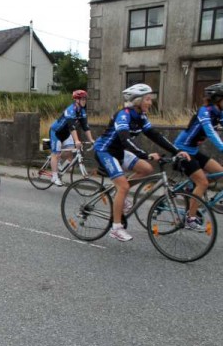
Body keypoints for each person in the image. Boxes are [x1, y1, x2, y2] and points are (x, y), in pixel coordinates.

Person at [94, 83, 189, 242]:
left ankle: (120, 194)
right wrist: (145, 154)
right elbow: (125, 139)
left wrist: (176, 151)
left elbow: (155, 136)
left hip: (119, 153)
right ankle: (116, 228)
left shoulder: (141, 117)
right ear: (137, 100)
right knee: (123, 186)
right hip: (105, 151)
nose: (150, 103)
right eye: (147, 99)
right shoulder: (123, 115)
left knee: (146, 168)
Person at [174, 83, 223, 229]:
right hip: (181, 150)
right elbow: (210, 132)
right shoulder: (204, 111)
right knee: (203, 182)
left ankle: (190, 189)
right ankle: (190, 218)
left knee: (219, 171)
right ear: (217, 99)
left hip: (193, 150)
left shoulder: (219, 113)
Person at [49, 90, 95, 186]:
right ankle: (54, 177)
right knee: (56, 154)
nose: (84, 101)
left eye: (85, 99)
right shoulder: (71, 110)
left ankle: (56, 162)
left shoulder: (81, 111)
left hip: (65, 134)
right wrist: (77, 140)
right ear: (76, 100)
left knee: (69, 154)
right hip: (56, 133)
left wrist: (91, 140)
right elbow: (72, 126)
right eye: (82, 99)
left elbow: (85, 126)